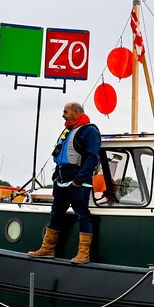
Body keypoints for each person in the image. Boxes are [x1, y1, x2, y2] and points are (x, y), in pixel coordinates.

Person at [28, 102, 102, 264]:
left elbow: (92, 158)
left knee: (82, 214)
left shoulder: (89, 131)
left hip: (78, 180)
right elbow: (59, 154)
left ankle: (83, 253)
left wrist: (79, 179)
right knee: (56, 214)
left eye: (66, 112)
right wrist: (55, 176)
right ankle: (48, 248)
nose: (63, 115)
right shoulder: (68, 130)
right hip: (61, 179)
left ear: (76, 112)